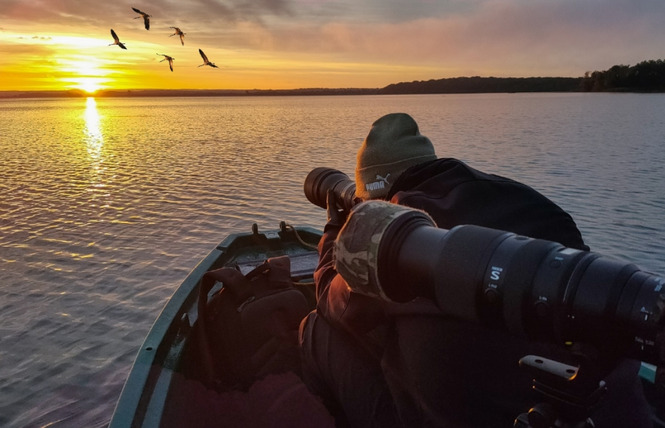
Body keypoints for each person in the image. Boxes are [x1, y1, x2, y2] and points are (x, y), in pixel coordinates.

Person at [298, 113, 652, 427]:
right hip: (578, 400)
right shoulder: (531, 202)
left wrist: (335, 233)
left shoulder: (391, 239)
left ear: (372, 202)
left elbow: (333, 303)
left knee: (316, 328)